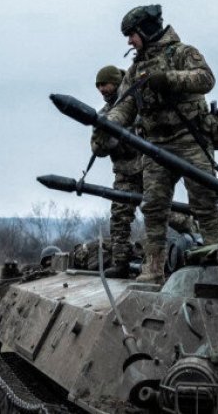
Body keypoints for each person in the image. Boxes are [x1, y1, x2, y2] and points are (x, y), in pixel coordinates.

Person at [102, 4, 218, 284]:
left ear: (146, 30)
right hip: (156, 145)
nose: (129, 41)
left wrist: (167, 79)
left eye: (132, 35)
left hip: (190, 139)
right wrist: (108, 126)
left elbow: (206, 78)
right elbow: (126, 105)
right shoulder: (136, 70)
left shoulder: (182, 53)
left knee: (205, 203)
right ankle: (153, 268)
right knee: (154, 207)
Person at [91, 65, 143, 278]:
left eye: (105, 84)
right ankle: (120, 262)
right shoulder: (104, 114)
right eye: (99, 86)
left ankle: (196, 239)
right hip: (124, 171)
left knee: (164, 211)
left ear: (117, 82)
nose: (102, 89)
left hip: (147, 166)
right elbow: (96, 147)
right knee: (119, 216)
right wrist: (108, 140)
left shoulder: (135, 101)